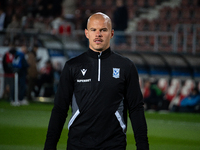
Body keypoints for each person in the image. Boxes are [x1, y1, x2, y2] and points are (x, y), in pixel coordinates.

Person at [44, 12, 149, 150]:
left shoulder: (126, 66)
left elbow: (136, 109)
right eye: (94, 30)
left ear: (111, 34)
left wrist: (143, 146)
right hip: (78, 145)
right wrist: (49, 146)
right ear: (87, 33)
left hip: (114, 145)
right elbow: (59, 109)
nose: (98, 34)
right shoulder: (72, 66)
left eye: (103, 30)